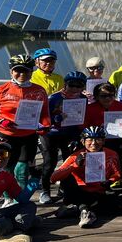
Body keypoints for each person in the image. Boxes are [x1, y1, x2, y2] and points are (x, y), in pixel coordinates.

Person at [0, 54, 50, 188]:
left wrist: (45, 125)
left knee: (22, 169)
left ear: (31, 71)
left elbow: (44, 113)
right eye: (18, 70)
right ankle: (7, 199)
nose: (22, 74)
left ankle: (20, 197)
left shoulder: (39, 90)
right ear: (11, 71)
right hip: (4, 135)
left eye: (26, 70)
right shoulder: (0, 91)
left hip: (28, 136)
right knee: (5, 169)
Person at [51, 126, 122, 229]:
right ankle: (85, 210)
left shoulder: (112, 154)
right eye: (89, 139)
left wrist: (109, 181)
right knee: (67, 178)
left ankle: (79, 209)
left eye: (98, 139)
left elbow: (117, 174)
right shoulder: (75, 156)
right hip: (78, 191)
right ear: (83, 141)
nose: (93, 143)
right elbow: (53, 178)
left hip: (97, 191)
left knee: (117, 205)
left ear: (103, 141)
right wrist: (74, 165)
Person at [39, 70, 88, 204]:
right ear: (65, 84)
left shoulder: (83, 98)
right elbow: (42, 119)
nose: (75, 89)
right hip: (52, 133)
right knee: (50, 162)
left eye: (79, 86)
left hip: (71, 133)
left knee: (70, 162)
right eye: (72, 85)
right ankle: (45, 190)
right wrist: (57, 118)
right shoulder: (53, 98)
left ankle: (64, 187)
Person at [83, 82, 122, 159]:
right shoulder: (89, 109)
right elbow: (82, 127)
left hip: (116, 140)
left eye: (111, 95)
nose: (107, 98)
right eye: (103, 96)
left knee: (117, 160)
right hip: (96, 141)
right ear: (96, 97)